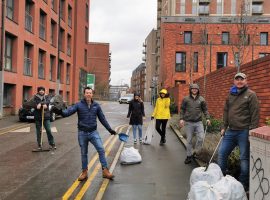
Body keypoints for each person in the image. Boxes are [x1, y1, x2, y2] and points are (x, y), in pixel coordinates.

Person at [60, 87, 116, 181]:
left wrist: (109, 129)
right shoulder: (78, 105)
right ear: (84, 94)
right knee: (83, 153)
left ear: (92, 94)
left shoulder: (96, 106)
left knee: (101, 149)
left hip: (93, 132)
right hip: (82, 133)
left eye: (90, 93)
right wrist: (60, 112)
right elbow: (68, 112)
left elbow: (102, 119)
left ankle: (105, 171)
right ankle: (84, 172)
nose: (88, 94)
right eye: (87, 93)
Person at [218, 72, 259, 192]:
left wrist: (251, 131)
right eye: (237, 79)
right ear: (234, 81)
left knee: (244, 158)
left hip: (244, 131)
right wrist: (223, 126)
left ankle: (243, 184)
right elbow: (226, 111)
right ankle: (221, 179)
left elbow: (255, 114)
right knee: (222, 153)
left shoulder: (251, 95)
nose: (239, 81)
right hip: (230, 131)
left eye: (242, 79)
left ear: (246, 80)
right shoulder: (230, 94)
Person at [179, 83, 210, 164]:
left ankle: (195, 152)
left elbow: (205, 110)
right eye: (193, 89)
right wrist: (181, 119)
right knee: (189, 140)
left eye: (196, 89)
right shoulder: (186, 99)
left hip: (199, 122)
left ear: (198, 90)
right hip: (189, 123)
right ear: (190, 90)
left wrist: (207, 118)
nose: (194, 90)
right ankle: (189, 156)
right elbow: (182, 109)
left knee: (201, 138)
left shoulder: (201, 99)